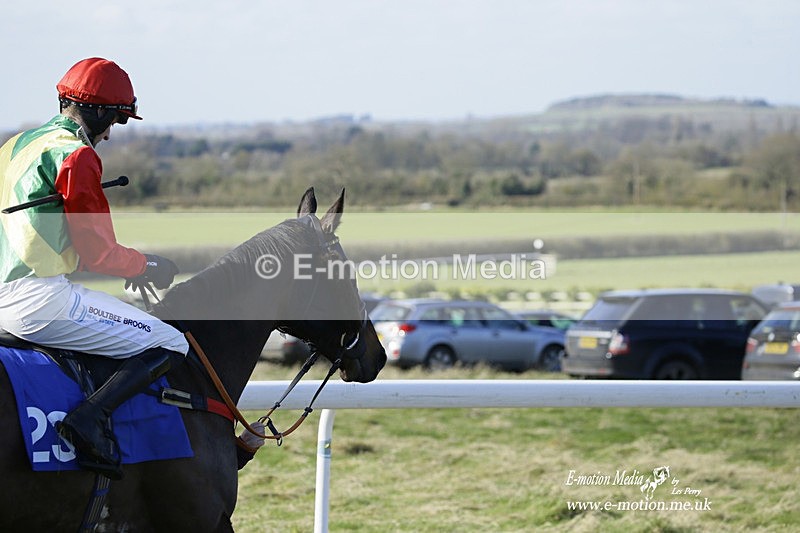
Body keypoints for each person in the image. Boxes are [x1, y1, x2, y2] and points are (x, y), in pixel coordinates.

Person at [0, 58, 188, 479]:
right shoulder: (77, 154)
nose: (108, 134)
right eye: (115, 122)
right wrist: (145, 264)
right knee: (171, 344)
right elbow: (98, 253)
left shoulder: (17, 144)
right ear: (101, 112)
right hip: (39, 302)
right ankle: (88, 421)